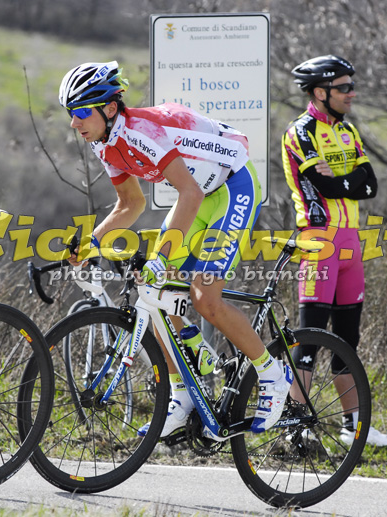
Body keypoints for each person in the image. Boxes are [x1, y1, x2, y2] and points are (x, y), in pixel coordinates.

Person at [59, 61, 292, 436]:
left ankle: (272, 374)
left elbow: (190, 192)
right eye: (71, 114)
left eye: (83, 112)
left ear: (110, 108)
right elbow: (129, 204)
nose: (75, 123)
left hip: (232, 190)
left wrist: (162, 257)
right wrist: (93, 242)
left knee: (205, 300)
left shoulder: (141, 133)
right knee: (155, 294)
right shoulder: (106, 144)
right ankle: (182, 394)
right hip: (199, 198)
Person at [280, 55, 387, 446]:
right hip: (318, 238)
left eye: (350, 86)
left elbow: (371, 185)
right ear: (320, 92)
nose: (351, 93)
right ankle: (296, 424)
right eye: (343, 88)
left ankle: (352, 422)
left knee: (347, 337)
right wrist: (349, 181)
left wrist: (342, 180)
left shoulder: (348, 131)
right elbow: (324, 188)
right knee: (309, 339)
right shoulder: (300, 131)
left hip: (352, 240)